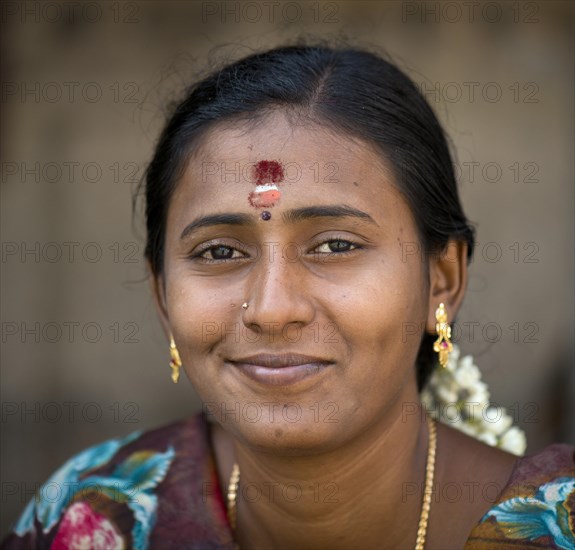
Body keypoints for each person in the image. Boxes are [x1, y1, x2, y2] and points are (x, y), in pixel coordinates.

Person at [2, 43, 574, 550]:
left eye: (335, 245)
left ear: (442, 280)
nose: (272, 309)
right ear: (162, 296)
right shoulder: (92, 514)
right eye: (220, 252)